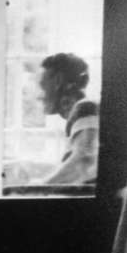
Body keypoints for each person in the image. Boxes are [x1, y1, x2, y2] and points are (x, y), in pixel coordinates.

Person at [37, 52, 99, 185]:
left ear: (58, 81)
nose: (39, 96)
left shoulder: (85, 108)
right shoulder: (84, 112)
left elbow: (84, 160)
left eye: (42, 85)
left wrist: (38, 188)